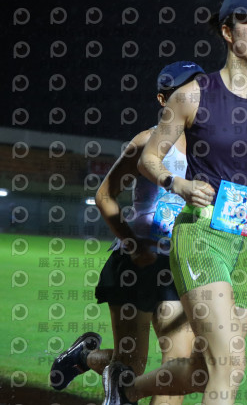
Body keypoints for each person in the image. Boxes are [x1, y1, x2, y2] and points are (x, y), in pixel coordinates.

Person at [101, 0, 247, 405]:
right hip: (202, 235)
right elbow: (149, 158)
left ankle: (126, 390)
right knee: (229, 365)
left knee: (203, 370)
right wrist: (176, 184)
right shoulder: (192, 95)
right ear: (227, 32)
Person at [49, 61, 207, 405]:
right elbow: (104, 196)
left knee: (175, 371)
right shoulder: (146, 141)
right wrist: (134, 246)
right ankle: (84, 358)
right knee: (131, 367)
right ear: (164, 99)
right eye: (187, 91)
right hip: (137, 263)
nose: (197, 97)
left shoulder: (212, 151)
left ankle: (82, 358)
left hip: (182, 265)